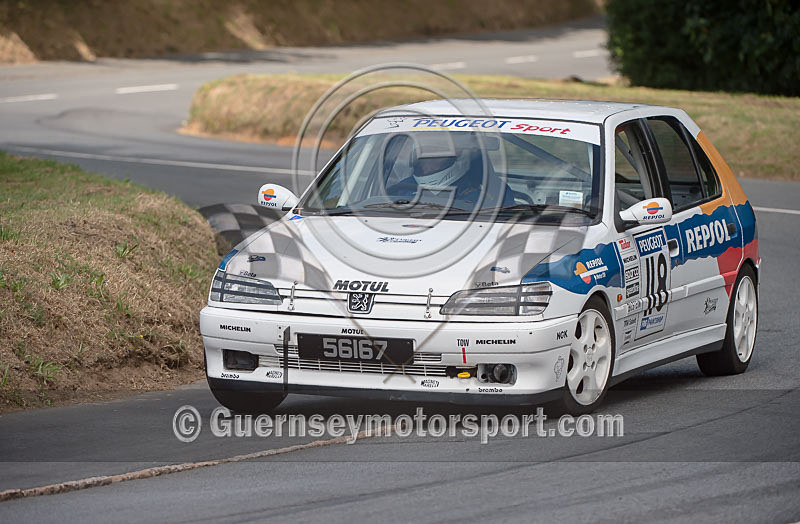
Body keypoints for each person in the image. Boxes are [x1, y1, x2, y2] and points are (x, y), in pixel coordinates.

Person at [383, 132, 515, 210]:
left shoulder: (491, 192)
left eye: (436, 158)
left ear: (459, 159)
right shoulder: (399, 189)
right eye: (422, 160)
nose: (427, 167)